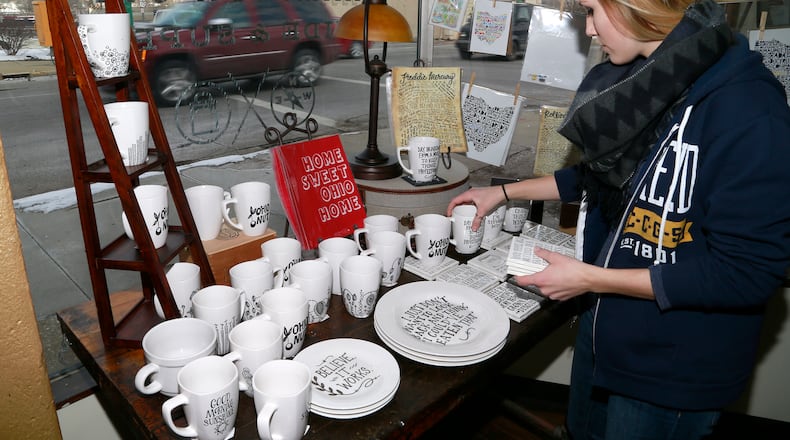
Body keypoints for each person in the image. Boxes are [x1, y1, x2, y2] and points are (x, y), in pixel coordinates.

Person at [447, 0, 790, 438]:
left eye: (592, 11)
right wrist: (503, 191)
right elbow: (599, 177)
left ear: (638, 6)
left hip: (672, 367)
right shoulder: (656, 78)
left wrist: (592, 280)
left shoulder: (750, 110)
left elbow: (746, 273)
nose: (588, 30)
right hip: (609, 328)